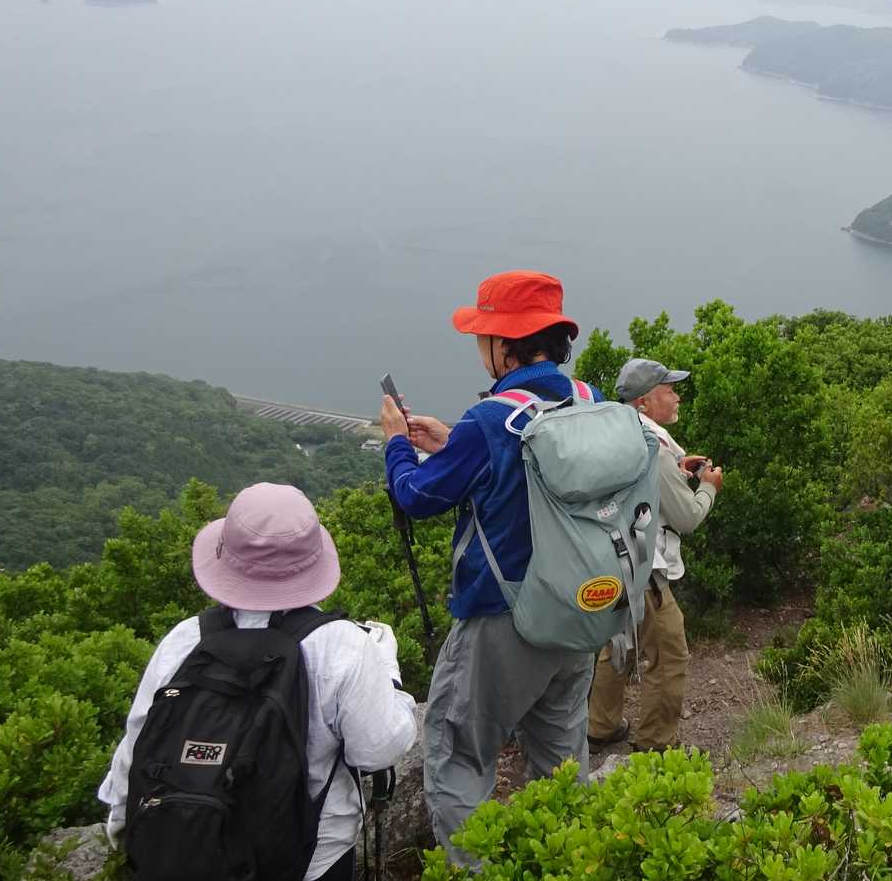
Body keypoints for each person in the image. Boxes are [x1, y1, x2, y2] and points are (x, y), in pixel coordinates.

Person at [380, 269, 606, 858]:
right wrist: (453, 443)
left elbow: (416, 496)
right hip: (580, 612)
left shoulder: (489, 421)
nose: (480, 347)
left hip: (502, 618)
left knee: (458, 755)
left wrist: (397, 445)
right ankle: (568, 864)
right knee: (561, 759)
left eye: (483, 336)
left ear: (506, 345)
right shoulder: (589, 402)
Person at [98, 483, 418, 881]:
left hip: (183, 852)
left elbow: (138, 744)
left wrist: (129, 828)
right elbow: (378, 749)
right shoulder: (343, 645)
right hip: (308, 861)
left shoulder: (185, 639)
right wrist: (389, 676)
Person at [587, 358, 722, 753]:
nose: (677, 397)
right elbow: (687, 517)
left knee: (617, 643)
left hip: (610, 560)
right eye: (669, 390)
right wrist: (708, 487)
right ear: (643, 402)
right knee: (669, 653)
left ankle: (599, 725)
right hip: (645, 568)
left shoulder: (617, 435)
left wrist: (677, 468)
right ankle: (655, 745)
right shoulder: (654, 450)